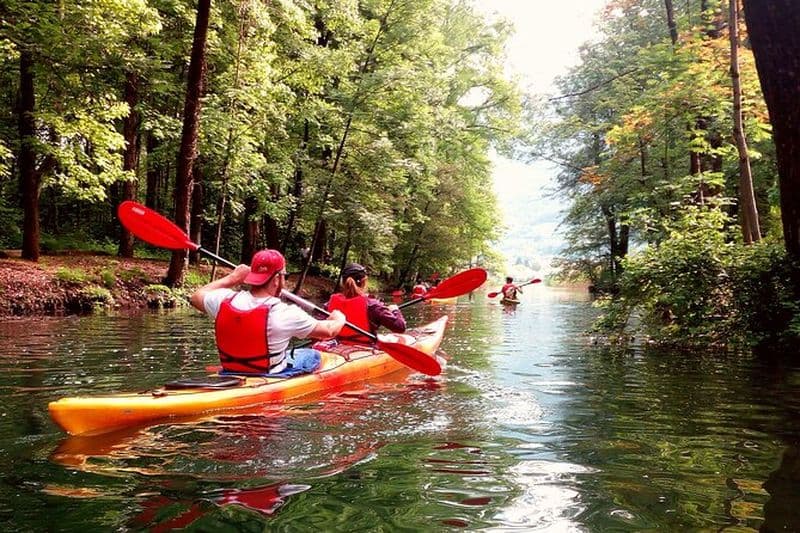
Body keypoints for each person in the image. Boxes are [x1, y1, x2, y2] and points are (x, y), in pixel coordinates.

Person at [190, 249, 346, 375]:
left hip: (231, 370)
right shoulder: (286, 313)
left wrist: (233, 278)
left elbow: (196, 297)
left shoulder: (224, 300)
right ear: (277, 279)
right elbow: (329, 331)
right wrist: (338, 317)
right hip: (269, 374)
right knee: (313, 355)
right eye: (284, 276)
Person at [326, 262, 406, 344]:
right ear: (364, 282)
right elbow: (400, 327)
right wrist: (395, 310)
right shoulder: (372, 305)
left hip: (336, 347)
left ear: (342, 282)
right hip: (363, 348)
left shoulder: (329, 304)